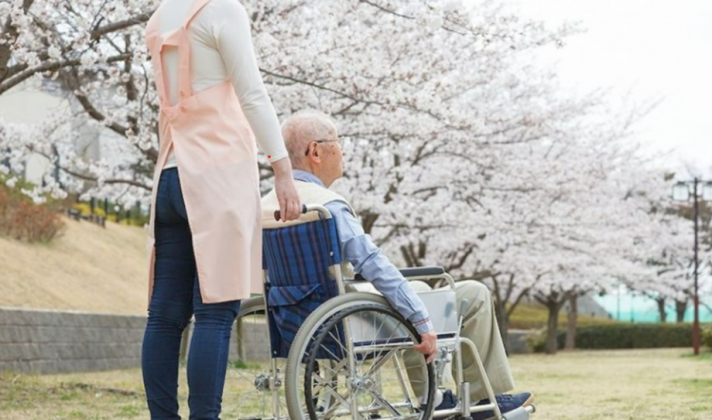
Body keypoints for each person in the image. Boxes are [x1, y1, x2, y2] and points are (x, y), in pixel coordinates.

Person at [261, 110, 534, 419]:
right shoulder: (328, 206)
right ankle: (478, 400)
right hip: (347, 321)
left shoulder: (266, 205)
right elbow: (372, 262)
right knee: (472, 293)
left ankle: (441, 396)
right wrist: (419, 319)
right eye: (339, 142)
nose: (343, 150)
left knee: (415, 290)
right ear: (315, 151)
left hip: (292, 319)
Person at [141, 0, 301, 418]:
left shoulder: (159, 18)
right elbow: (252, 93)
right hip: (216, 177)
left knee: (164, 315)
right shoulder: (222, 9)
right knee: (215, 311)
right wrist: (282, 170)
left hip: (170, 177)